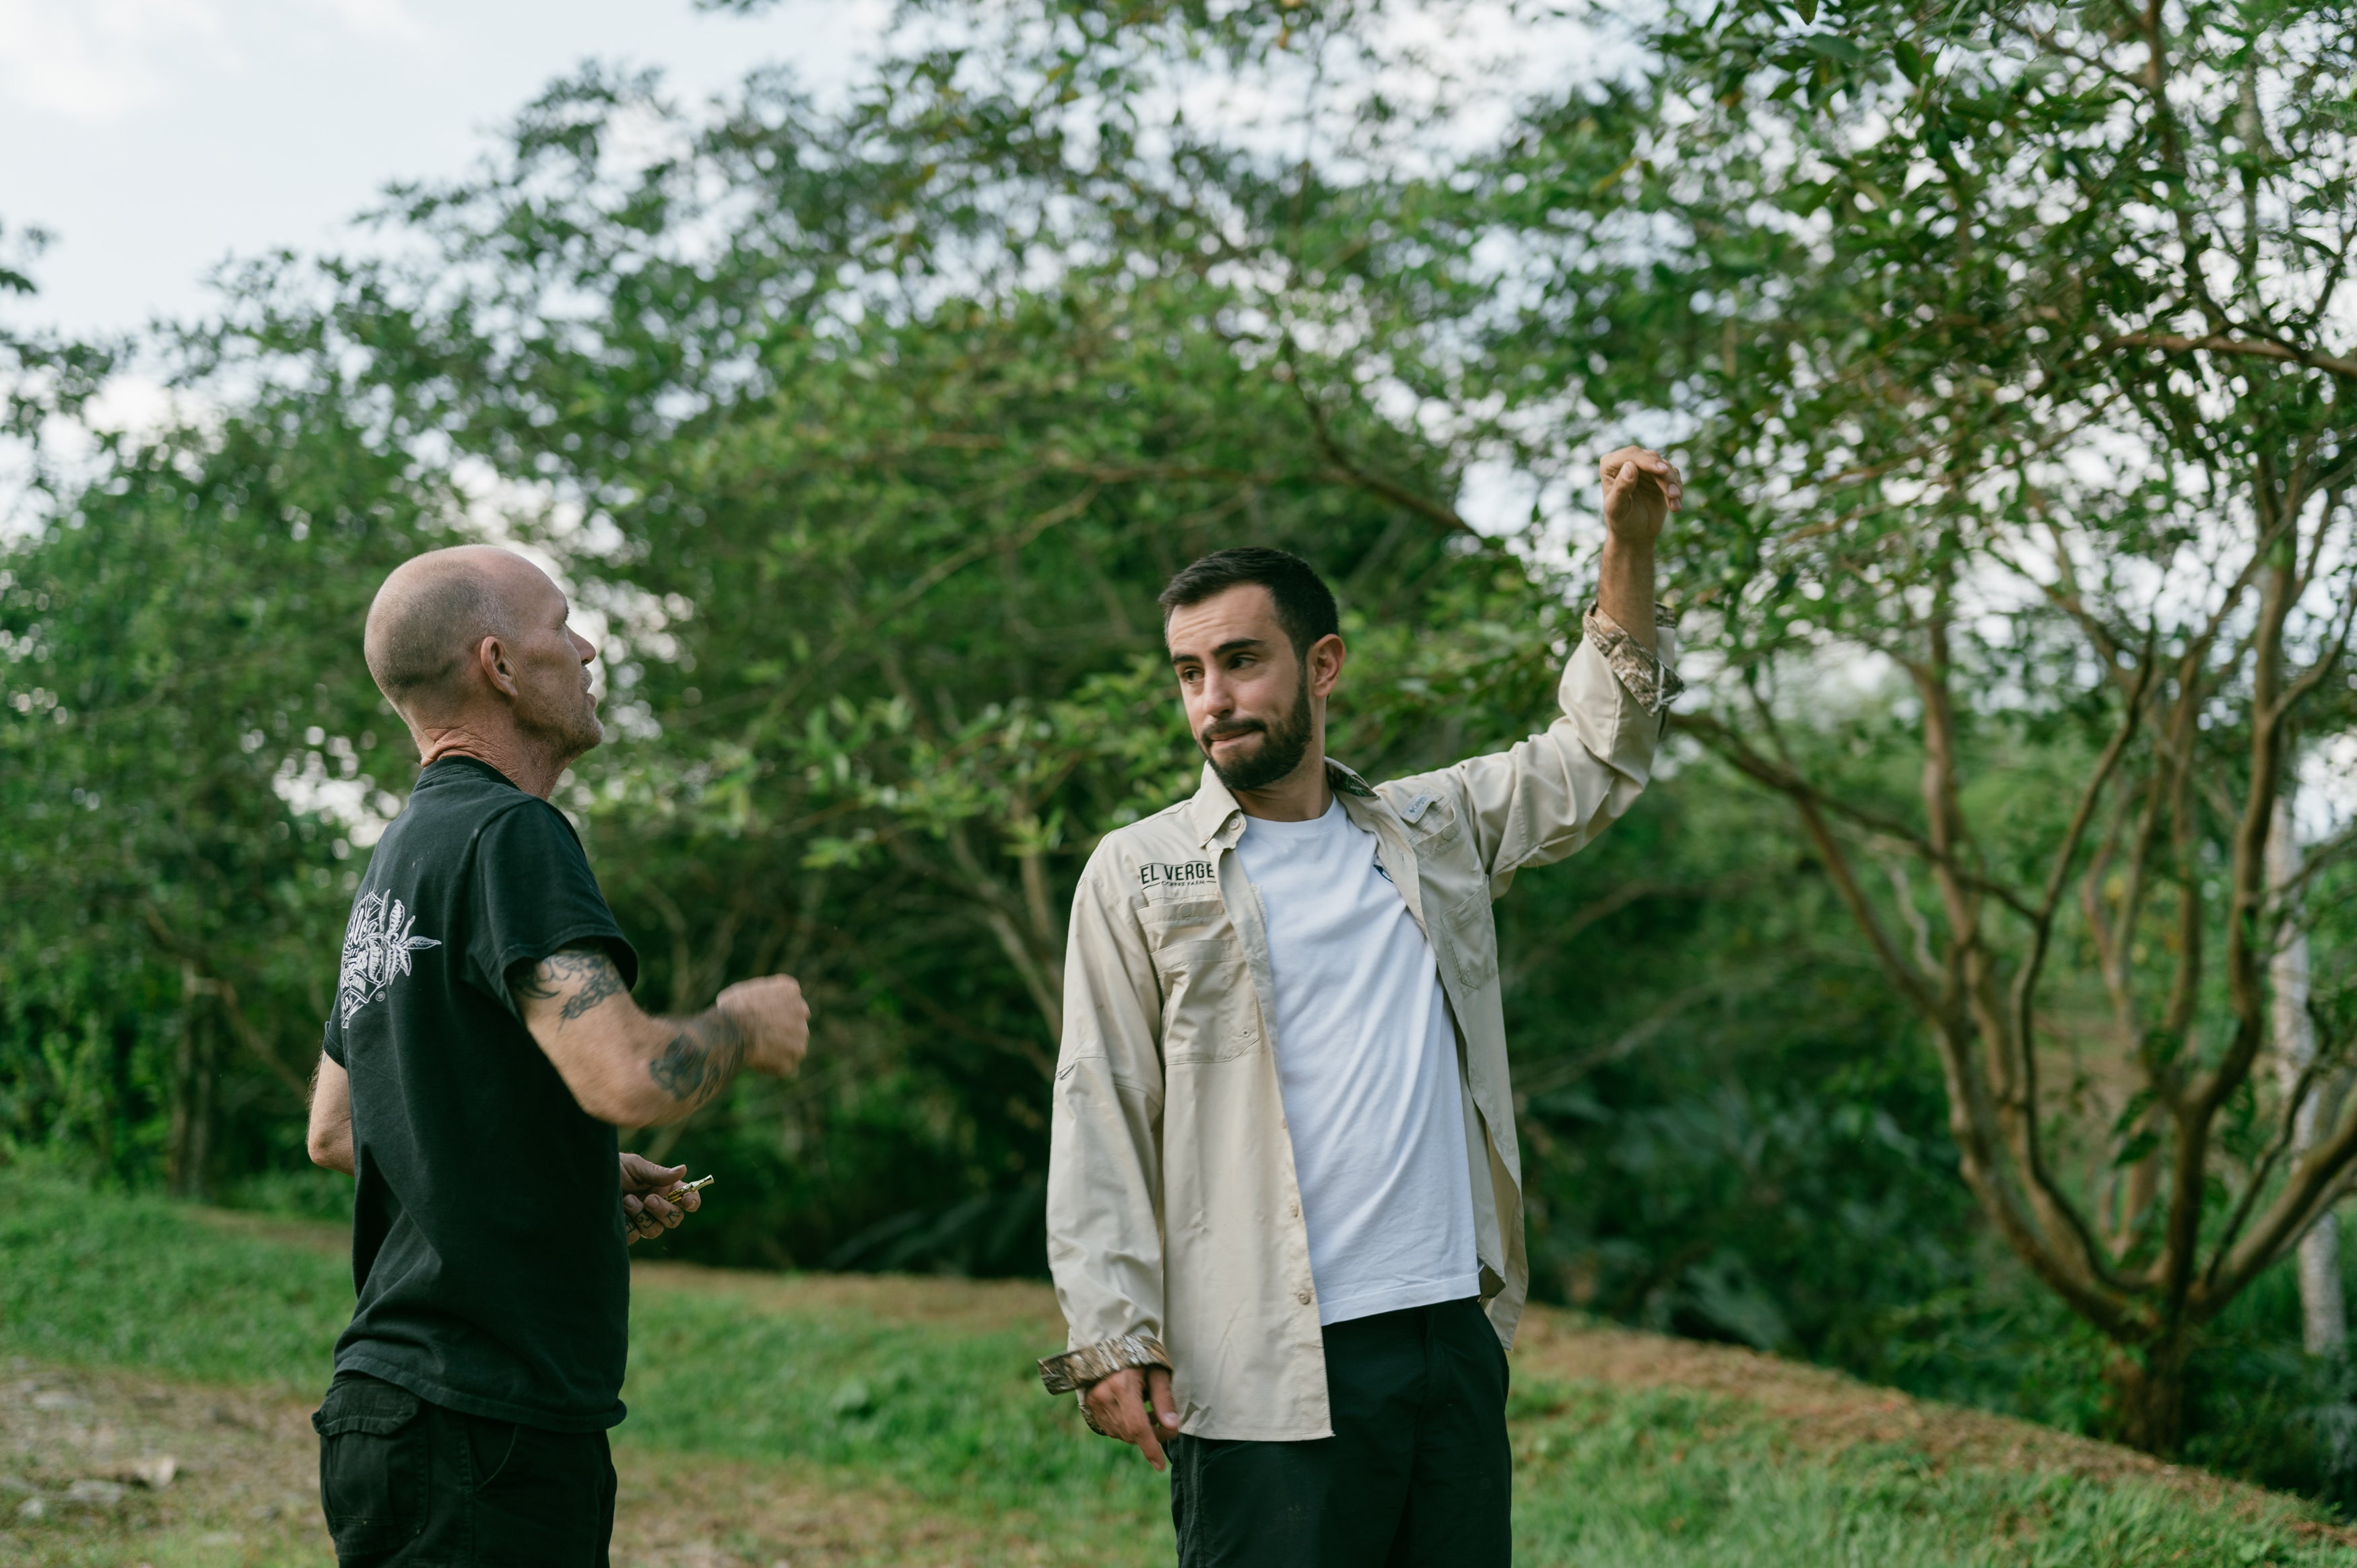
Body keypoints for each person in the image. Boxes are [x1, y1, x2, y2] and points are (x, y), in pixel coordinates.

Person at [1038, 448, 1684, 1565]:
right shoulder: (1138, 870)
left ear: (1322, 663)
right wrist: (1110, 1336)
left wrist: (1628, 546)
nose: (1214, 699)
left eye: (1241, 661)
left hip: (1448, 1336)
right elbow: (1101, 1102)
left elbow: (1597, 751)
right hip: (1265, 1357)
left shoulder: (1432, 830)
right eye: (1190, 672)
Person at [303, 545, 811, 1567]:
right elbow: (625, 1072)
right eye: (562, 627)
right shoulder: (513, 834)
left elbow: (338, 1127)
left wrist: (565, 1168)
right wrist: (743, 1026)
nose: (585, 650)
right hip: (487, 1425)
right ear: (498, 663)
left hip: (388, 1413)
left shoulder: (401, 858)